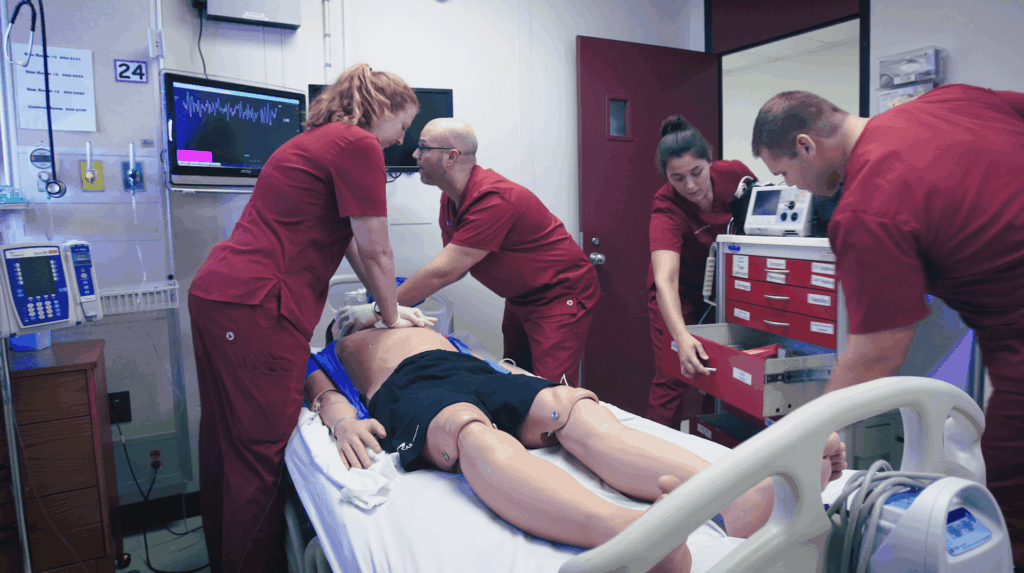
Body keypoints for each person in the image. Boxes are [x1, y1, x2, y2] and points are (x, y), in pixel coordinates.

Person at [303, 327, 848, 572]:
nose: (375, 310)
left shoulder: (437, 329)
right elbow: (314, 381)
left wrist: (515, 374)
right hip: (412, 387)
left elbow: (495, 365)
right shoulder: (342, 346)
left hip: (474, 368)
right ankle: (629, 534)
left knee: (577, 411)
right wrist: (338, 413)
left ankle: (741, 496)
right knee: (470, 432)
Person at [750, 85, 1024, 568]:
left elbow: (878, 355)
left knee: (1001, 504)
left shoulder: (866, 208)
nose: (792, 188)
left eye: (785, 172)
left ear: (806, 147)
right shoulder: (951, 101)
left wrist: (807, 435)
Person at [188, 63, 436, 573]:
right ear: (382, 110)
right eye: (404, 125)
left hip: (220, 295)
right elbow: (379, 250)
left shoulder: (314, 141)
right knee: (258, 454)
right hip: (257, 305)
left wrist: (382, 307)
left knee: (224, 442)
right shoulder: (357, 145)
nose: (401, 140)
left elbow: (348, 243)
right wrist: (391, 319)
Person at [336, 118, 600, 387]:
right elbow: (451, 268)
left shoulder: (494, 198)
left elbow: (445, 271)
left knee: (552, 389)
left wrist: (381, 310)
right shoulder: (451, 199)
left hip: (559, 295)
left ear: (451, 157)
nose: (415, 155)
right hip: (521, 297)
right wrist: (396, 307)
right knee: (519, 376)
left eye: (423, 148)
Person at [646, 116, 757, 430]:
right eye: (677, 178)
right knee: (673, 374)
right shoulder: (666, 205)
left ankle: (715, 438)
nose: (690, 186)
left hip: (724, 289)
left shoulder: (735, 174)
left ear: (710, 160)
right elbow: (665, 279)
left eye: (696, 172)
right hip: (678, 294)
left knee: (722, 368)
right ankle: (658, 449)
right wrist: (682, 338)